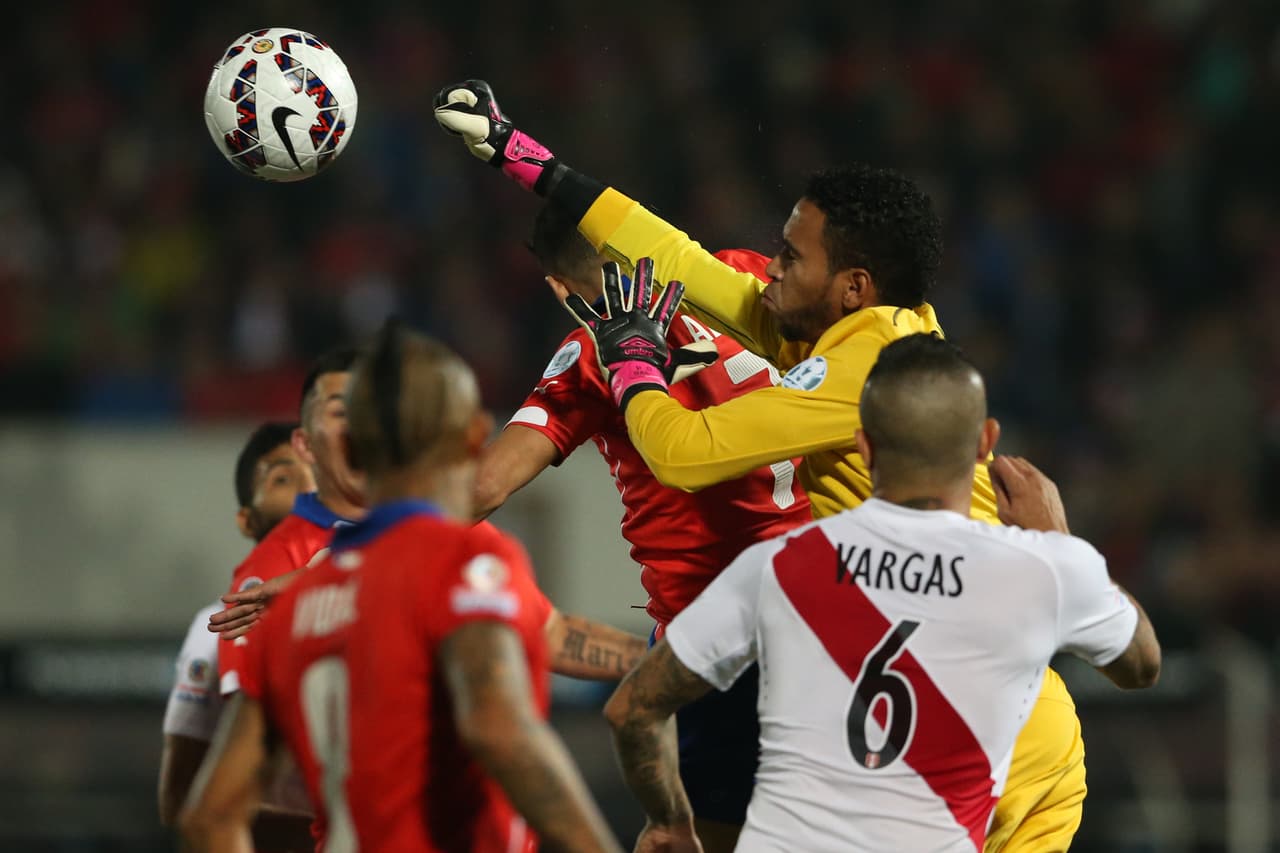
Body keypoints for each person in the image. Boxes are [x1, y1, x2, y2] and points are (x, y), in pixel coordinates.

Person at [433, 80, 1084, 851]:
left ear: (852, 286)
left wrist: (634, 363)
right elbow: (672, 253)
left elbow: (683, 453)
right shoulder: (857, 331)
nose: (767, 270)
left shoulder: (859, 378)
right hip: (992, 716)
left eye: (789, 256)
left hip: (933, 728)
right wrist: (518, 152)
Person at [604, 335, 1160, 852]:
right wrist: (1058, 542)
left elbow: (633, 708)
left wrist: (669, 820)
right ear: (985, 442)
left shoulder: (779, 566)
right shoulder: (1041, 570)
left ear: (864, 446)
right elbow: (1141, 666)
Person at [181, 323, 622, 853]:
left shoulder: (294, 607)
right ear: (473, 436)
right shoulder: (465, 564)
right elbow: (499, 732)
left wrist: (671, 663)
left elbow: (209, 816)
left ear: (351, 446)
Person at [474, 204, 812, 850]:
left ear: (560, 288)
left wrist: (340, 548)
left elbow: (485, 487)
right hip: (830, 608)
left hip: (711, 640)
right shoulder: (740, 277)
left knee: (704, 836)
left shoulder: (585, 357)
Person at [209, 348, 648, 685]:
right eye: (342, 413)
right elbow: (251, 746)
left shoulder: (462, 542)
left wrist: (680, 666)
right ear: (305, 445)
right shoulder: (274, 568)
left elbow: (551, 637)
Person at [158, 421, 315, 851]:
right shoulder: (214, 630)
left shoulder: (365, 591)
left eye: (315, 473)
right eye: (283, 478)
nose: (309, 490)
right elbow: (180, 801)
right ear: (247, 520)